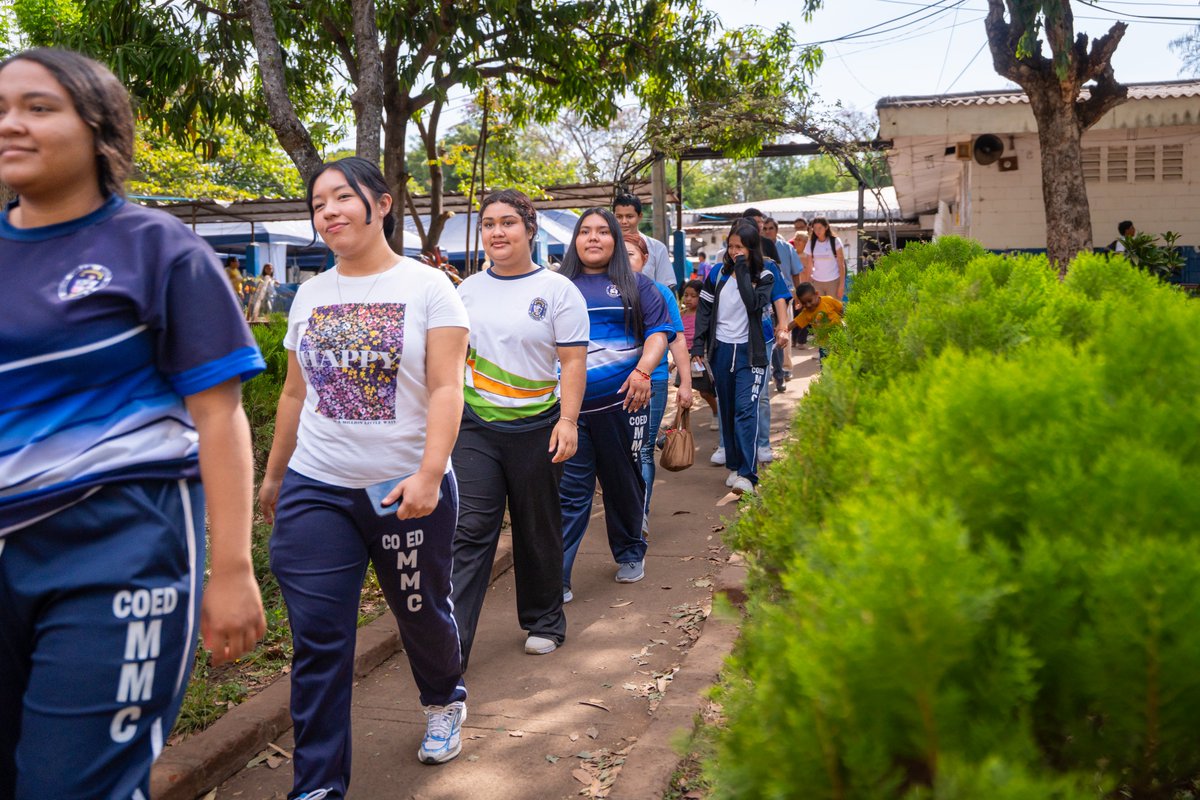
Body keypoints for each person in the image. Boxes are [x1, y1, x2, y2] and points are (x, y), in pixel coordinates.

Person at [0, 48, 266, 799]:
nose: (11, 124)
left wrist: (233, 571)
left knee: (70, 788)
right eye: (0, 109)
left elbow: (219, 418)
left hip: (119, 555)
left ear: (98, 127)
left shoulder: (159, 250)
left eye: (38, 107)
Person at [258, 157, 471, 794]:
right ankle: (318, 783)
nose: (329, 212)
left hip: (404, 487)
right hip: (317, 485)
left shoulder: (431, 288)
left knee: (420, 611)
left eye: (342, 198)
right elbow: (296, 395)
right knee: (320, 639)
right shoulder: (312, 295)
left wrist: (431, 473)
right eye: (318, 203)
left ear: (380, 204)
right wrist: (273, 477)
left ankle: (443, 699)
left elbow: (444, 387)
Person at [450, 190, 589, 667]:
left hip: (538, 426)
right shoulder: (465, 291)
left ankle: (544, 619)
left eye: (508, 222)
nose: (497, 232)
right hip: (476, 427)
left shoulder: (557, 291)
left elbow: (572, 362)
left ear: (530, 229)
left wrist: (567, 420)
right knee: (468, 528)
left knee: (537, 528)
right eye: (489, 223)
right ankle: (451, 641)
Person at [558, 209, 672, 601]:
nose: (593, 238)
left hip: (623, 405)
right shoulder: (558, 287)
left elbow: (660, 334)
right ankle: (558, 577)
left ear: (615, 240)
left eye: (602, 232)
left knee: (623, 483)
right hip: (568, 414)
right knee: (571, 493)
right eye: (585, 231)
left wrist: (642, 372)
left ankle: (629, 552)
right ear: (575, 240)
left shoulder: (639, 286)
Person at [691, 220, 790, 495]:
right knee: (728, 409)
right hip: (722, 349)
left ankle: (748, 474)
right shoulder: (717, 274)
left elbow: (754, 303)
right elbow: (705, 311)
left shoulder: (767, 273)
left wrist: (744, 269)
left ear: (751, 249)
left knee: (747, 409)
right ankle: (735, 466)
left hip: (754, 352)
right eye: (731, 246)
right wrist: (697, 347)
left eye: (740, 247)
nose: (734, 251)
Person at [625, 234, 693, 538]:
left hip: (653, 383)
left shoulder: (661, 293)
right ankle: (625, 509)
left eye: (631, 255)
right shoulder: (603, 290)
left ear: (644, 259)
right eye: (619, 254)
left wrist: (686, 383)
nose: (624, 261)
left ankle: (639, 514)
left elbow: (676, 339)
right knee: (621, 453)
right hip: (611, 386)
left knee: (642, 451)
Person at [762, 217, 801, 391]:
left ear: (777, 230)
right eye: (765, 228)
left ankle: (782, 373)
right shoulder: (756, 245)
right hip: (763, 301)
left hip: (782, 296)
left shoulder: (786, 248)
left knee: (781, 333)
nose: (768, 231)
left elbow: (795, 273)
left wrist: (797, 295)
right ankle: (772, 373)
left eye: (771, 228)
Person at [612, 193, 677, 289]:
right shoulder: (607, 246)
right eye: (619, 216)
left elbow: (665, 288)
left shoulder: (657, 248)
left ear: (640, 216)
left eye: (629, 216)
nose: (624, 221)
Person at [680, 279, 718, 420]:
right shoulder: (681, 314)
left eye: (693, 296)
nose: (688, 299)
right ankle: (678, 423)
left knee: (705, 391)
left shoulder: (704, 315)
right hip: (685, 357)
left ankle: (716, 412)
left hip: (700, 357)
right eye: (686, 295)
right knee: (683, 390)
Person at [789, 282, 845, 365]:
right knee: (826, 366)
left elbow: (841, 309)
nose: (808, 305)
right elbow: (795, 322)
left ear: (816, 294)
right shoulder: (806, 313)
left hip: (840, 339)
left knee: (843, 363)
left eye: (809, 301)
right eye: (804, 303)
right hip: (824, 344)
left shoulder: (828, 300)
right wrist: (783, 330)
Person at [800, 216, 846, 300]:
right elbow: (809, 265)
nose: (817, 231)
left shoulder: (835, 241)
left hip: (834, 281)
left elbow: (841, 264)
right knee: (819, 310)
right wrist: (808, 285)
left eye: (820, 228)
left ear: (826, 227)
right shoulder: (811, 243)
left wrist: (841, 285)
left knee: (833, 310)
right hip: (817, 282)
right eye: (815, 228)